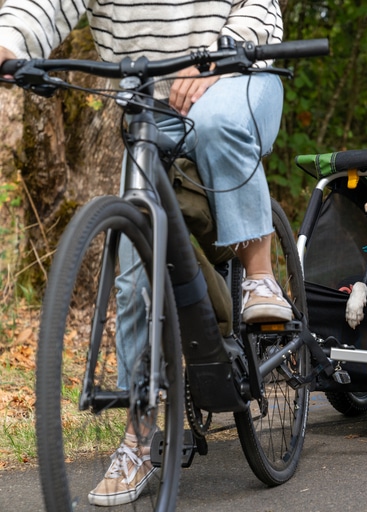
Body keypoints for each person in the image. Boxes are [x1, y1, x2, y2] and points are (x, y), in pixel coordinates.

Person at [0, 0, 291, 506]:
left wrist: (211, 59)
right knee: (136, 270)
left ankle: (260, 278)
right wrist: (10, 44)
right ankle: (138, 436)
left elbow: (260, 8)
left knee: (218, 124)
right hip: (149, 104)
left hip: (236, 79)